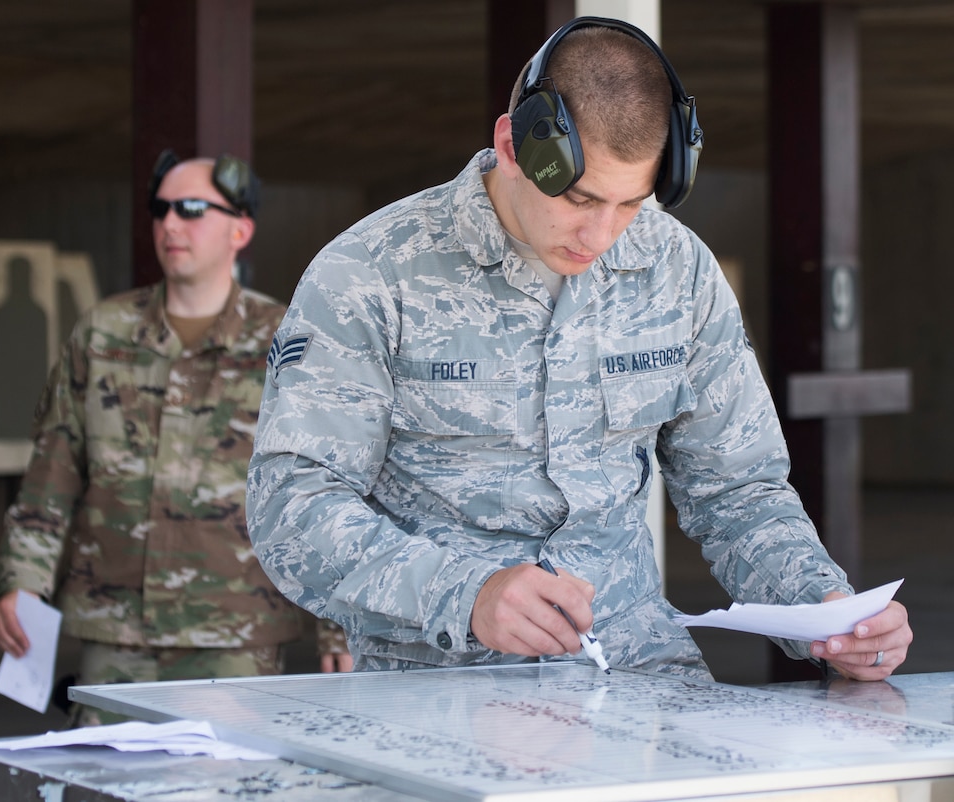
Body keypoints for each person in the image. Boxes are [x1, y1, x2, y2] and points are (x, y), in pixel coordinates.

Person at [245, 17, 912, 683]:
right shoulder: (370, 273)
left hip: (640, 674)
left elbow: (737, 490)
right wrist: (464, 593)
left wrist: (827, 609)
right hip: (439, 682)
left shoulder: (677, 268)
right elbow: (291, 505)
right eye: (578, 196)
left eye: (629, 204)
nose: (601, 234)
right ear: (513, 146)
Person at [0, 150, 351, 726]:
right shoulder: (103, 332)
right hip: (114, 623)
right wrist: (23, 580)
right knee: (105, 783)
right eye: (160, 210)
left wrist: (339, 622)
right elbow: (53, 469)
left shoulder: (288, 340)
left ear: (240, 228)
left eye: (190, 209)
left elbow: (324, 481)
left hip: (235, 628)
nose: (170, 224)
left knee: (224, 784)